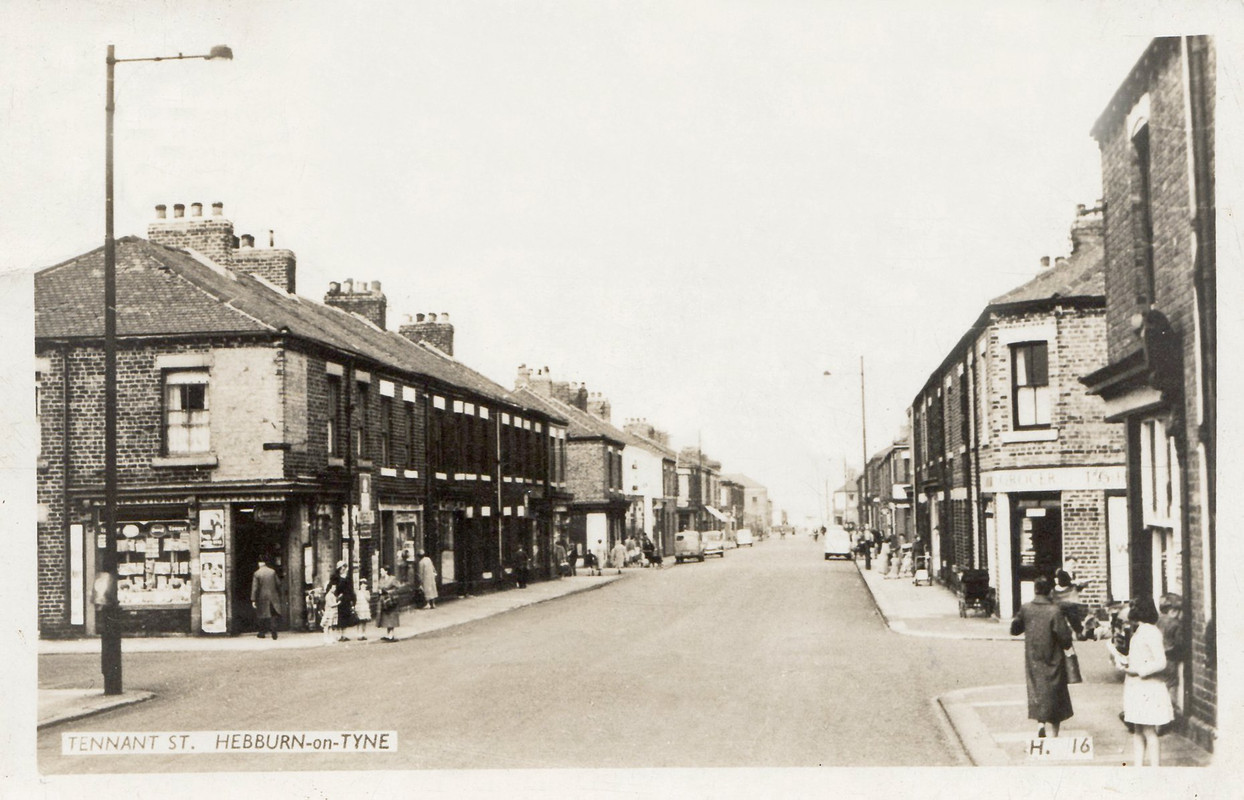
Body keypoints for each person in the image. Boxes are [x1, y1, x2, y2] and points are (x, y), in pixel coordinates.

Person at [1110, 597, 1174, 766]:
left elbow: (1161, 662)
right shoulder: (1141, 631)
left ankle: (1154, 770)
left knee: (1148, 731)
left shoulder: (1151, 632)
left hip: (1147, 687)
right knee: (1138, 730)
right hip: (1137, 687)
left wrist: (1139, 670)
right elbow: (1141, 657)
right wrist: (1124, 660)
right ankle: (1138, 768)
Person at [1010, 574, 1074, 738]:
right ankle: (1054, 735)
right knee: (1056, 694)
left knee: (1038, 691)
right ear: (1050, 591)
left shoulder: (1026, 608)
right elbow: (1065, 638)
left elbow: (1015, 630)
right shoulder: (1054, 610)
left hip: (1033, 659)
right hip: (1053, 658)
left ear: (1035, 590)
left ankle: (1040, 724)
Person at [1156, 592, 1185, 709]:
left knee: (1158, 686)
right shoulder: (1176, 624)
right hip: (1169, 659)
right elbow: (1179, 643)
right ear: (1173, 610)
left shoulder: (1157, 621)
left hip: (1156, 658)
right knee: (1171, 685)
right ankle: (1169, 713)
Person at [250, 558, 281, 640]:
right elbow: (278, 583)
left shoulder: (257, 573)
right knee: (273, 614)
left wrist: (253, 599)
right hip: (273, 596)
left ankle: (262, 633)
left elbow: (255, 588)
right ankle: (274, 631)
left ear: (259, 564)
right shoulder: (272, 572)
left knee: (262, 615)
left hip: (262, 597)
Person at [330, 561, 357, 642]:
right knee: (339, 617)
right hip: (339, 599)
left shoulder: (348, 577)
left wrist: (352, 599)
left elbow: (350, 589)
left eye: (345, 567)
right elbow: (333, 587)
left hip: (346, 599)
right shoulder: (335, 577)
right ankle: (339, 635)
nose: (344, 569)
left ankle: (344, 634)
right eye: (342, 567)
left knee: (345, 617)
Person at [376, 566, 401, 641]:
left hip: (391, 600)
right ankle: (388, 634)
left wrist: (389, 592)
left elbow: (397, 588)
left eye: (382, 571)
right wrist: (379, 591)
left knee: (391, 617)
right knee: (386, 617)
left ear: (386, 571)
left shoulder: (392, 579)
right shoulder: (381, 579)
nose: (380, 572)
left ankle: (391, 635)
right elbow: (379, 587)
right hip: (384, 601)